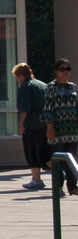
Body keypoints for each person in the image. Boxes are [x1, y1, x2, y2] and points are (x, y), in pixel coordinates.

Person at [43, 58, 78, 196]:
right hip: (58, 130)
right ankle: (58, 186)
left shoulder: (73, 87)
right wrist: (50, 127)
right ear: (56, 71)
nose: (65, 72)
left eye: (68, 69)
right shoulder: (51, 87)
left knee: (72, 159)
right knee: (58, 159)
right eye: (62, 69)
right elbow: (48, 109)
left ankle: (72, 186)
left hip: (72, 130)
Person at [13, 63, 50, 191]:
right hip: (45, 124)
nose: (17, 80)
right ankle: (62, 172)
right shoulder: (42, 85)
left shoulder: (25, 87)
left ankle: (37, 180)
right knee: (46, 154)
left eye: (16, 77)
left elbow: (25, 108)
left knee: (32, 152)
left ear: (20, 76)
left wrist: (21, 124)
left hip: (32, 125)